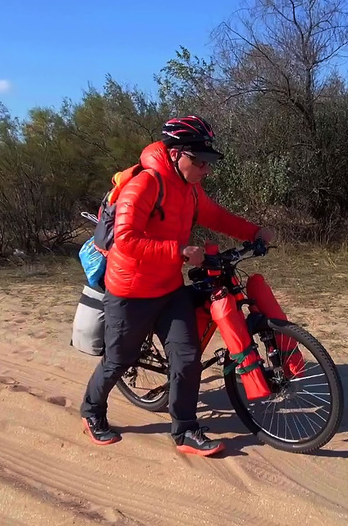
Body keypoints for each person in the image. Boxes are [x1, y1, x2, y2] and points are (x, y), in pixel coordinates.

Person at [79, 115, 275, 456]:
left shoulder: (190, 188)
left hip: (168, 288)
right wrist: (178, 251)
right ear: (175, 154)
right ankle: (92, 411)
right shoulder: (145, 185)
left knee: (186, 358)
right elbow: (124, 240)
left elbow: (216, 216)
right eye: (199, 162)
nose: (206, 169)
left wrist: (254, 231)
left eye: (208, 162)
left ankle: (185, 430)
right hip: (130, 292)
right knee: (118, 360)